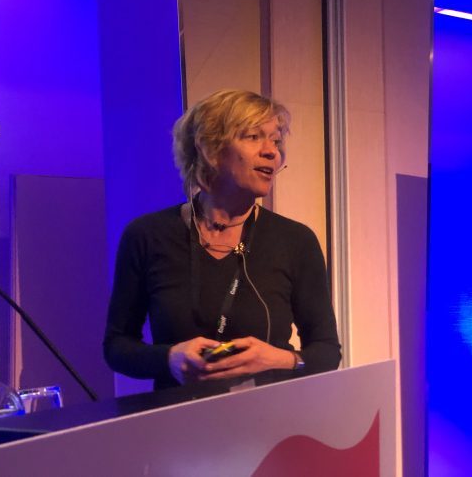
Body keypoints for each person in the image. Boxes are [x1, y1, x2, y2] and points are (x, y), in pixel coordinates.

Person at [103, 89, 341, 390]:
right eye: (254, 137)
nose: (272, 151)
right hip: (181, 415)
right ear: (210, 149)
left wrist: (278, 359)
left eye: (276, 140)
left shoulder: (296, 241)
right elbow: (117, 346)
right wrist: (168, 358)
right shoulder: (147, 235)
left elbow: (327, 352)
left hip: (269, 416)